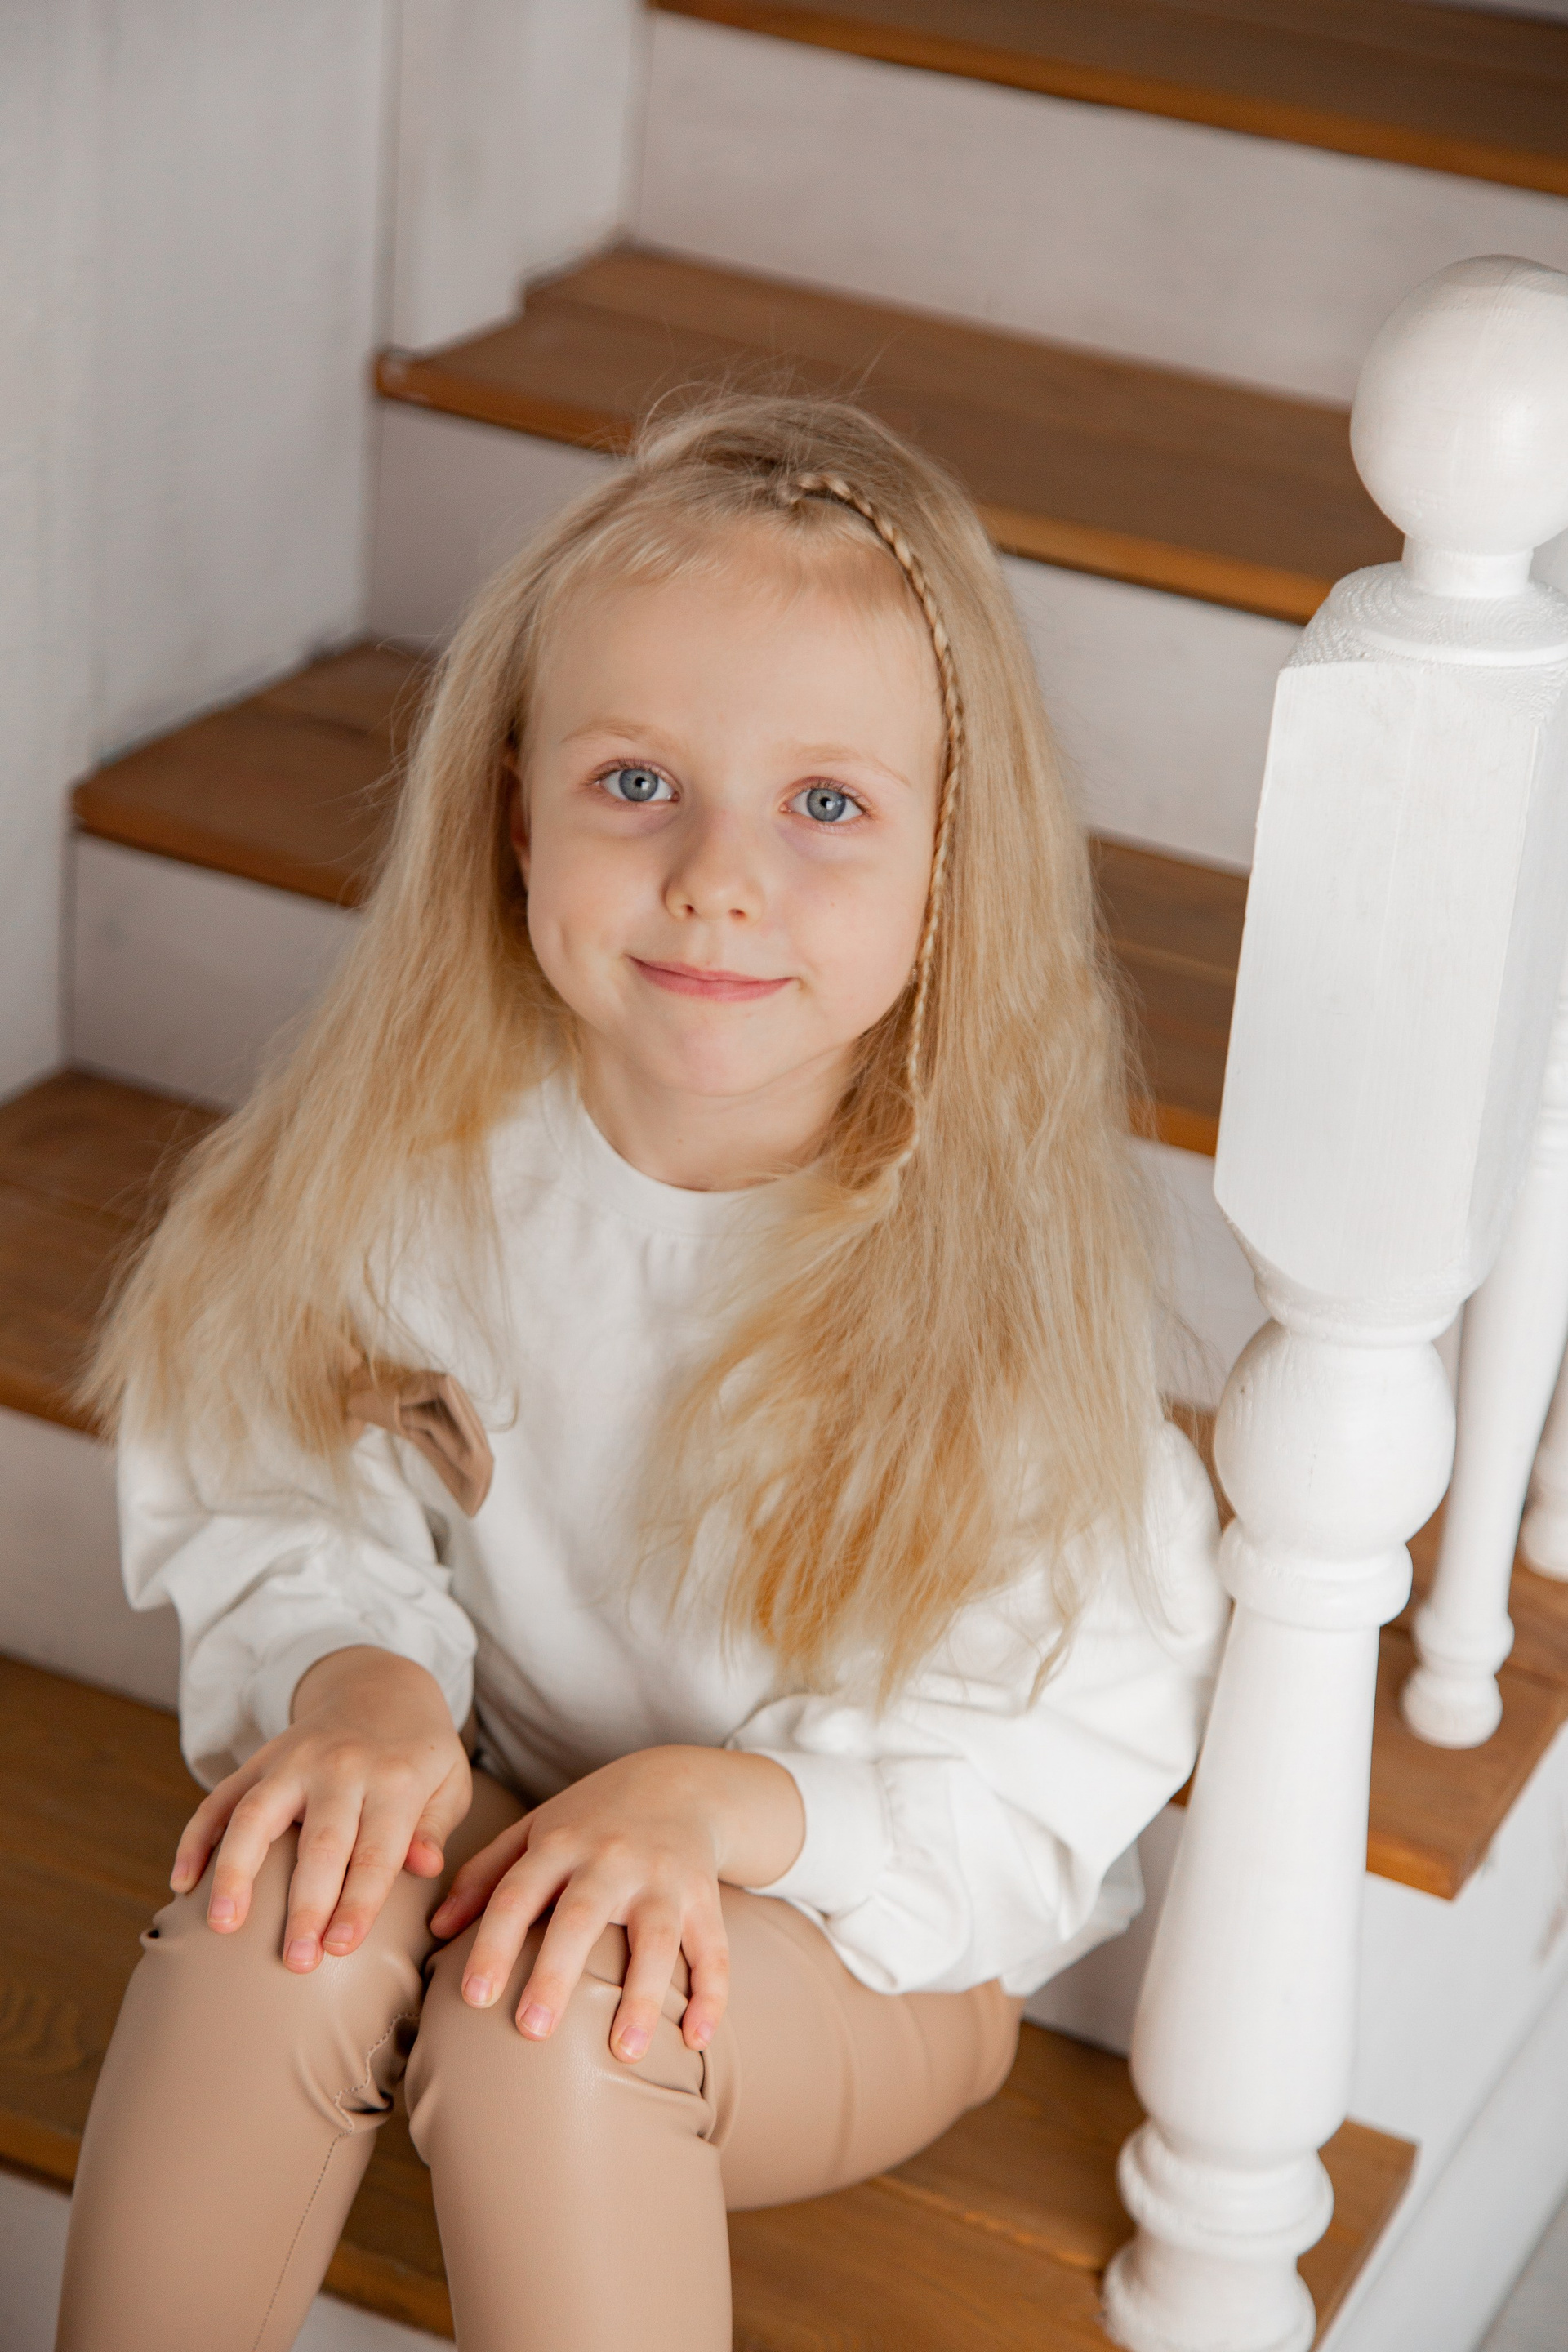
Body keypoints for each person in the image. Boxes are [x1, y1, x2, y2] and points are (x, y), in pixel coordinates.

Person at [56, 397, 1226, 2352]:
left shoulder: (1008, 1335)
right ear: (519, 812)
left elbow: (1022, 1813)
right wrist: (359, 1684)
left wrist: (718, 1813)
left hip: (847, 1947)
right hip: (512, 1806)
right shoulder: (411, 1172)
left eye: (827, 806)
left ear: (951, 866)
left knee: (560, 2022)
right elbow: (277, 1462)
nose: (715, 879)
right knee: (284, 1913)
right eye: (636, 783)